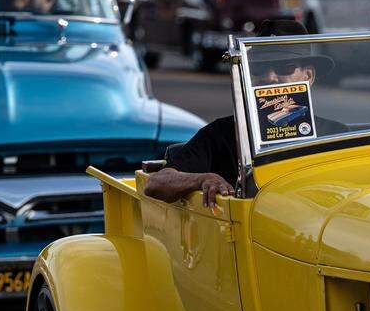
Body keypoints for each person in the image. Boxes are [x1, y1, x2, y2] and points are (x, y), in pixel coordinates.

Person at [144, 19, 348, 206]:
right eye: (259, 69)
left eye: (284, 67)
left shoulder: (336, 134)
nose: (271, 77)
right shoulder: (220, 134)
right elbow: (156, 183)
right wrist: (203, 178)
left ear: (308, 76)